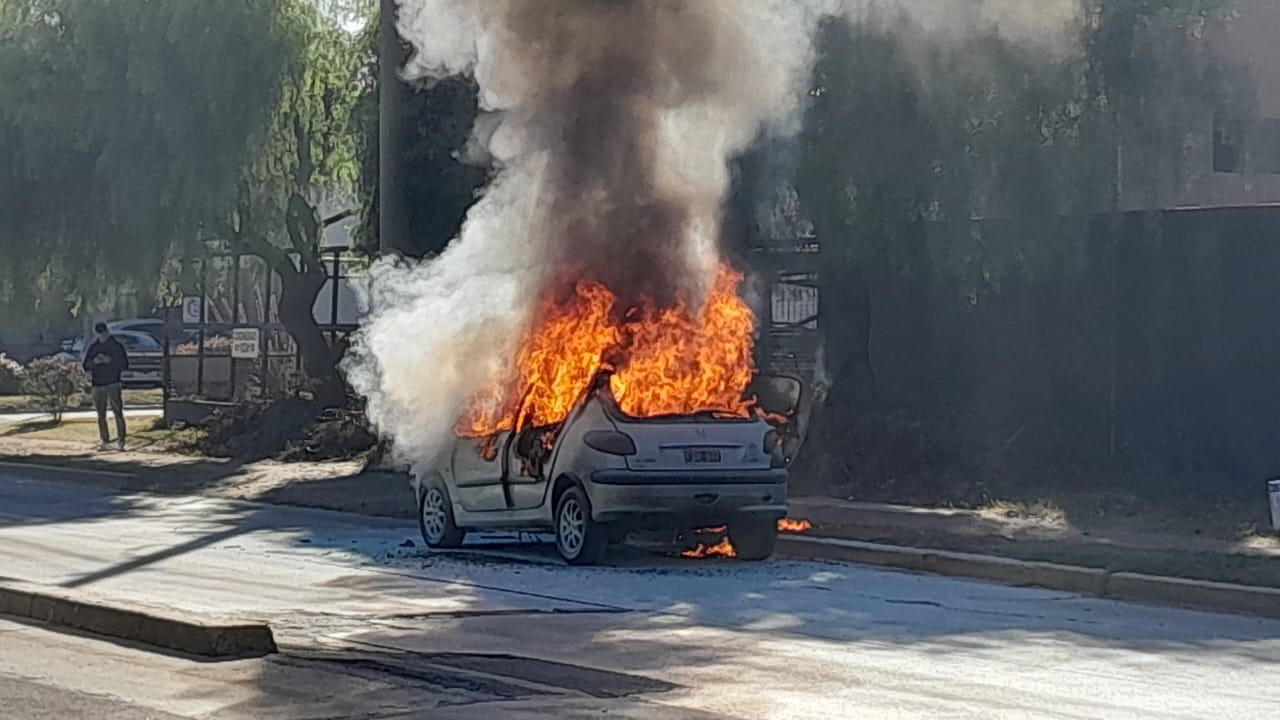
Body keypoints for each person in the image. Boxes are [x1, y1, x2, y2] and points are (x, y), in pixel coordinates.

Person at [83, 323, 129, 451]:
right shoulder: (94, 347)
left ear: (107, 332)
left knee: (117, 411)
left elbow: (125, 364)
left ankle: (121, 440)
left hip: (113, 382)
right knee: (100, 413)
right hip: (98, 383)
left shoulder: (116, 346)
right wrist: (95, 362)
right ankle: (105, 440)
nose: (102, 335)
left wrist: (110, 361)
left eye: (103, 333)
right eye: (99, 333)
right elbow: (86, 365)